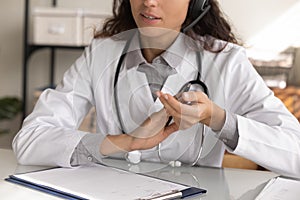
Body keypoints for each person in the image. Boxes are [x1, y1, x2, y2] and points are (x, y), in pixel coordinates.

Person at [13, 0, 300, 178]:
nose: (149, 2)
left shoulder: (227, 62)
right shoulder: (102, 53)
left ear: (196, 2)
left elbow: (294, 152)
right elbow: (30, 140)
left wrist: (216, 118)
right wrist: (124, 142)